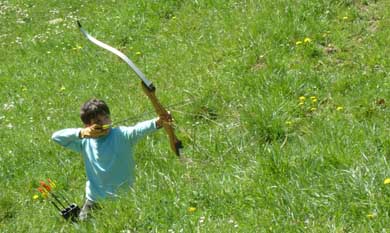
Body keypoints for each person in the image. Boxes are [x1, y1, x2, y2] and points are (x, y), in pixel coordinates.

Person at [51, 98, 171, 220]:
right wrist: (81, 133)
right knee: (82, 225)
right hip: (94, 200)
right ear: (88, 126)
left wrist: (158, 122)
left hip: (123, 199)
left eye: (106, 117)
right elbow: (56, 137)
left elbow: (137, 130)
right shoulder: (85, 142)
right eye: (98, 121)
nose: (104, 122)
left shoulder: (121, 134)